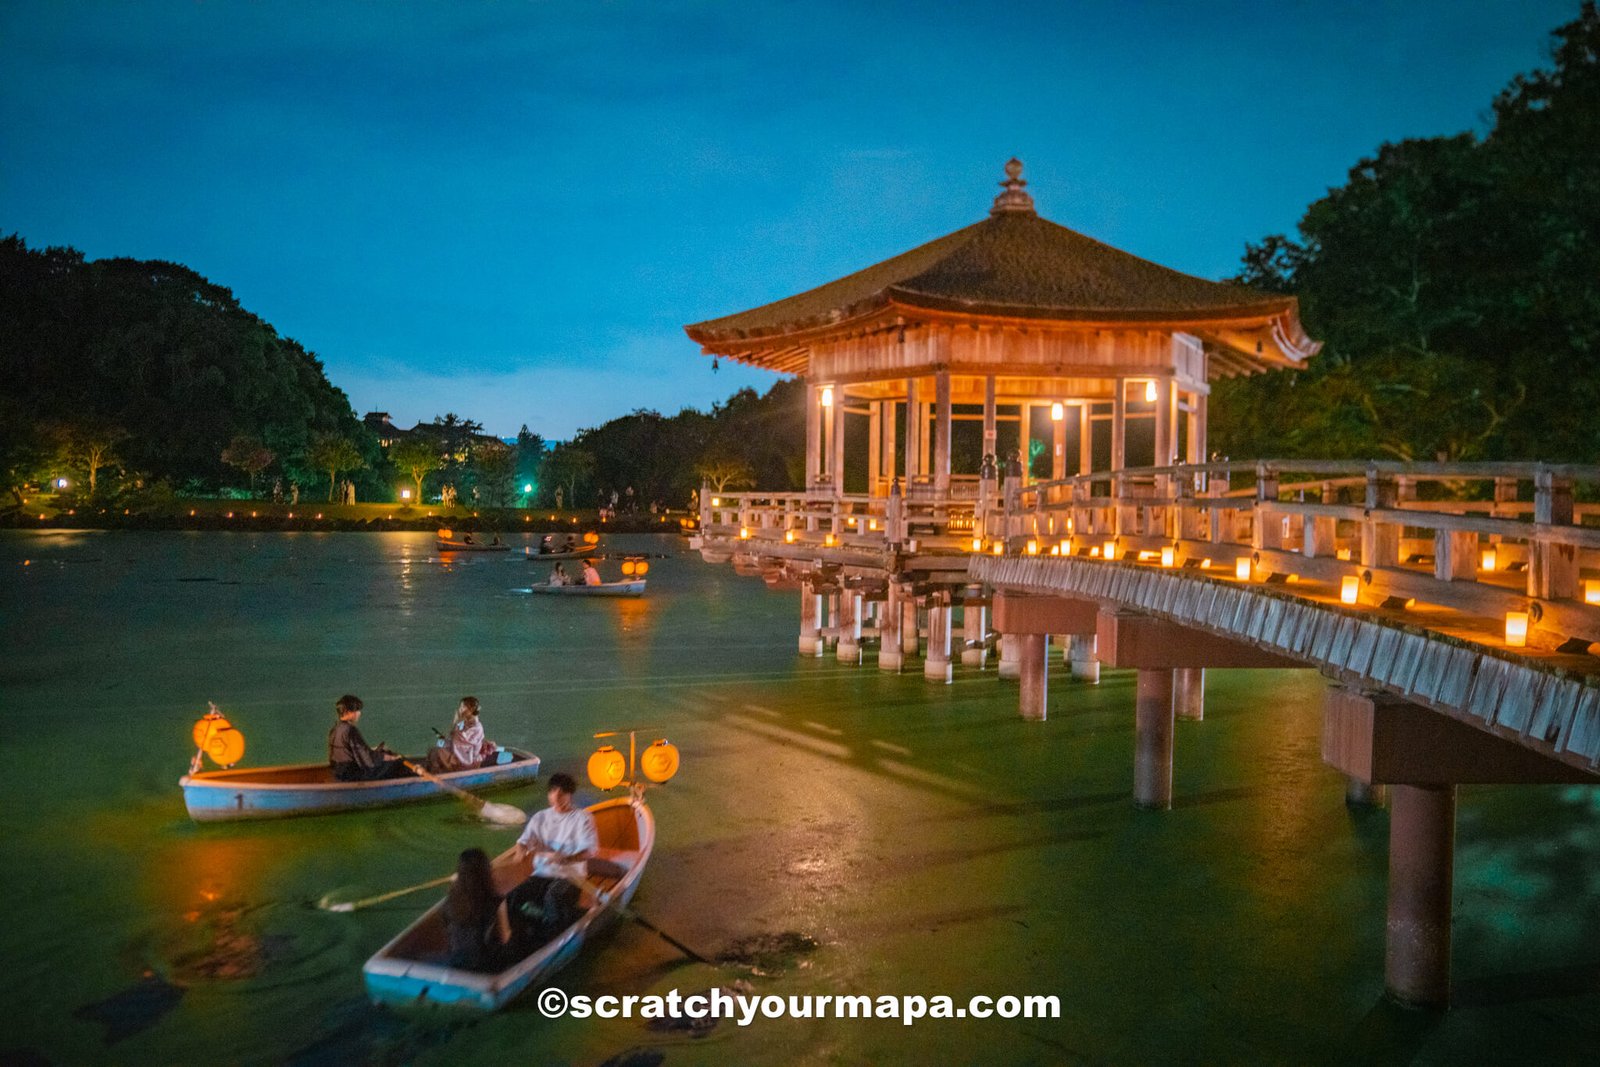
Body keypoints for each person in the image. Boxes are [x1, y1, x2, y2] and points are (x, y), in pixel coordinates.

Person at [505, 773, 596, 944]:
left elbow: (589, 852)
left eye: (562, 793)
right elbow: (523, 842)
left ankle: (552, 939)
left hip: (571, 876)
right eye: (553, 792)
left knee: (553, 898)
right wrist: (519, 855)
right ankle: (520, 934)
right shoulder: (540, 817)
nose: (556, 797)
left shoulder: (583, 818)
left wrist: (567, 858)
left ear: (570, 795)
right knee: (514, 897)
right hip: (542, 874)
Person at [442, 847, 512, 971]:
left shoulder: (451, 900)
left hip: (457, 960)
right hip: (485, 964)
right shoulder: (496, 901)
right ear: (486, 871)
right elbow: (505, 938)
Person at [327, 695, 411, 781]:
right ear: (348, 712)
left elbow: (351, 752)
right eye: (357, 710)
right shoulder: (350, 730)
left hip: (338, 773)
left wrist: (374, 751)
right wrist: (390, 757)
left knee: (384, 756)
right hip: (353, 776)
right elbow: (368, 760)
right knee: (398, 763)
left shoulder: (334, 729)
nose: (359, 713)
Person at [426, 696, 494, 773]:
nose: (460, 709)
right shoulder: (464, 723)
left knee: (436, 752)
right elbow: (453, 735)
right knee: (433, 750)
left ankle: (435, 775)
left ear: (471, 709)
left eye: (463, 707)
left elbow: (459, 738)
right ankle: (435, 773)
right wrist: (444, 738)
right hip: (459, 754)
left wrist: (456, 721)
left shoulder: (477, 728)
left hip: (467, 760)